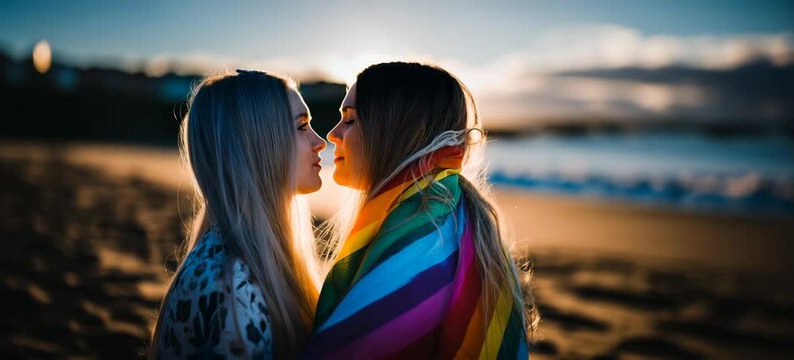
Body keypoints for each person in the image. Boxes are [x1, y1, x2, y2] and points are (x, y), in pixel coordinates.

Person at [305, 62, 533, 359]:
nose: (333, 134)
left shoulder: (424, 237)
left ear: (394, 132)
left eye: (349, 120)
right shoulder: (449, 211)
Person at [151, 70, 326, 359]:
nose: (320, 142)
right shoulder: (232, 288)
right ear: (258, 143)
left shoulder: (244, 263)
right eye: (301, 126)